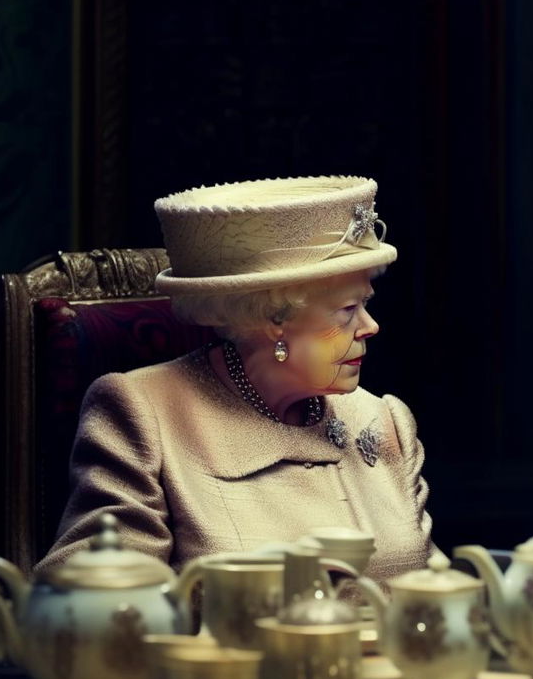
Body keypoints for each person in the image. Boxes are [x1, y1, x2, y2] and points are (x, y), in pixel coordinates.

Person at [34, 176, 433, 582]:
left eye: (365, 303)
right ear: (275, 318)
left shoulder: (386, 422)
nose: (370, 326)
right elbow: (92, 603)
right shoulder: (143, 415)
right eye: (348, 309)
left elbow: (436, 594)